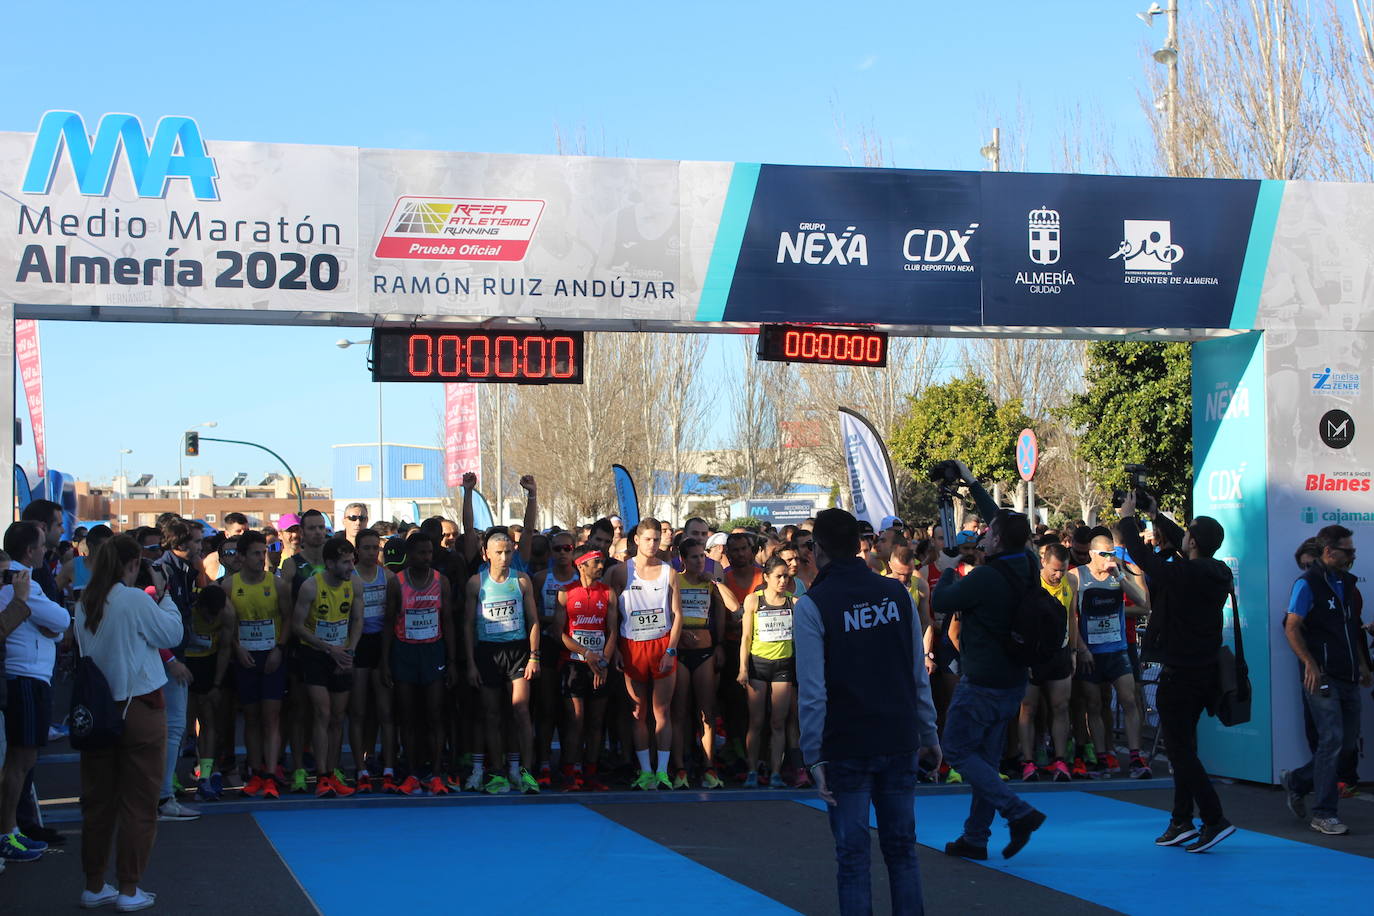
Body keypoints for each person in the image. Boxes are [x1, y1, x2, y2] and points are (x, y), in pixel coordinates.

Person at [795, 508, 940, 916]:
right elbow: (917, 674)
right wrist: (929, 732)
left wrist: (812, 753)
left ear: (817, 549)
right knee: (902, 852)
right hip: (897, 736)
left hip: (846, 744)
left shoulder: (813, 605)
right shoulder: (895, 593)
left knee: (854, 859)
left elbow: (812, 691)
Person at [932, 461, 1046, 862]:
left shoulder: (984, 578)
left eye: (988, 534)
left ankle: (1018, 812)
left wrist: (947, 571)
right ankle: (976, 837)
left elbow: (941, 602)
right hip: (1014, 677)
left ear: (997, 540)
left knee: (958, 751)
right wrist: (970, 480)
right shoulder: (1028, 562)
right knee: (985, 758)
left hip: (981, 679)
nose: (983, 536)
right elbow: (1000, 519)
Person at [1117, 492, 1237, 851]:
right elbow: (1187, 548)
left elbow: (1141, 557)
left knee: (1180, 751)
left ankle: (1214, 819)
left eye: (1188, 534)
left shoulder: (1184, 573)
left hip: (1181, 673)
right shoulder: (1217, 571)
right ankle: (1182, 819)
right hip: (1205, 672)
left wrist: (1127, 519)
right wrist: (1155, 514)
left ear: (1193, 542)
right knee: (1184, 746)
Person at [73, 535, 183, 911]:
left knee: (98, 803)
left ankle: (94, 883)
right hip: (139, 706)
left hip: (97, 710)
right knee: (139, 803)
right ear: (133, 563)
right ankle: (129, 888)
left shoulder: (84, 601)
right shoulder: (135, 598)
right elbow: (172, 634)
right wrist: (163, 593)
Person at [1281, 523, 1371, 837]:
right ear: (1329, 551)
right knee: (1331, 739)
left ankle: (1298, 781)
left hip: (1347, 673)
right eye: (1348, 551)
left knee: (1346, 744)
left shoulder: (1347, 582)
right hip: (1323, 676)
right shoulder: (1307, 583)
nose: (1353, 556)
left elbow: (1351, 628)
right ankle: (1324, 813)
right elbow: (1291, 626)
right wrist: (1310, 663)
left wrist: (1362, 665)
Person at [2, 521, 71, 863]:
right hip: (25, 677)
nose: (46, 550)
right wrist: (52, 627)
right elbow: (60, 619)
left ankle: (12, 829)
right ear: (29, 550)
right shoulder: (20, 580)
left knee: (23, 759)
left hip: (30, 676)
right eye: (43, 544)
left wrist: (52, 628)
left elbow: (54, 627)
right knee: (20, 760)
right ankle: (7, 831)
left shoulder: (21, 579)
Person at [605, 518, 681, 790]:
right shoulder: (620, 572)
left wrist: (671, 649)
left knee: (662, 712)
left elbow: (677, 614)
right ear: (636, 540)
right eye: (648, 539)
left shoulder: (668, 571)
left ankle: (662, 771)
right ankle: (646, 771)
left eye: (656, 539)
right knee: (638, 713)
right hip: (632, 645)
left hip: (661, 644)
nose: (653, 544)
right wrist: (614, 651)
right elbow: (610, 615)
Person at [463, 531, 540, 794]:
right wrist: (471, 664)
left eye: (508, 552)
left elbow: (533, 621)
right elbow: (467, 625)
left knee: (520, 711)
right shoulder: (476, 583)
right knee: (492, 715)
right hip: (488, 653)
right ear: (486, 554)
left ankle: (524, 772)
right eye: (499, 552)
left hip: (517, 651)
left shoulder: (521, 580)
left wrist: (534, 656)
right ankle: (496, 771)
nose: (504, 557)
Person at [381, 532, 457, 795]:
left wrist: (452, 660)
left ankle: (436, 774)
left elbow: (447, 621)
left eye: (429, 553)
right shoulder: (397, 583)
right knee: (409, 716)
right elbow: (389, 622)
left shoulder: (441, 581)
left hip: (433, 652)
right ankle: (413, 773)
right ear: (409, 555)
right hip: (404, 652)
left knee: (435, 715)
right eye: (420, 553)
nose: (426, 558)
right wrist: (384, 662)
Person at [1070, 533, 1151, 778]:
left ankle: (1136, 756)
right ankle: (1103, 755)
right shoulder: (1076, 576)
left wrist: (1120, 577)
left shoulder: (1119, 575)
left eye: (1112, 553)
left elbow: (1143, 603)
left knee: (1129, 699)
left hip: (1117, 649)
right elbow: (1070, 617)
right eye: (1104, 553)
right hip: (1091, 652)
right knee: (1093, 705)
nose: (1109, 558)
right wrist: (1081, 649)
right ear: (1093, 554)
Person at [291, 537, 364, 798]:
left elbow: (357, 620)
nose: (350, 567)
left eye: (351, 561)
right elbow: (297, 625)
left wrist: (350, 650)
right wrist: (328, 648)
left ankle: (332, 773)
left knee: (337, 717)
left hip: (342, 653)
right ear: (330, 563)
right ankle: (321, 776)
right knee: (322, 713)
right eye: (345, 562)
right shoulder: (311, 586)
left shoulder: (354, 583)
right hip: (315, 653)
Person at [225, 530, 290, 799]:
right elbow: (227, 626)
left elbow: (288, 619)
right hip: (246, 657)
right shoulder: (229, 586)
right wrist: (237, 649)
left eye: (263, 552)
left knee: (271, 717)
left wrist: (279, 649)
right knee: (251, 718)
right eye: (255, 553)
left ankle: (271, 773)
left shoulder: (277, 584)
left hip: (271, 656)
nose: (261, 558)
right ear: (240, 557)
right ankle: (255, 772)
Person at [553, 549, 619, 791]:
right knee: (575, 720)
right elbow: (557, 632)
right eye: (595, 563)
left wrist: (603, 661)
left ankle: (591, 772)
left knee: (595, 721)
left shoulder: (608, 593)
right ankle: (569, 771)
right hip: (574, 664)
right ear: (581, 566)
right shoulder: (566, 593)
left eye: (602, 562)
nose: (601, 567)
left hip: (599, 665)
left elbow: (612, 630)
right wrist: (586, 653)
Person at [1016, 542, 1076, 783]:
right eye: (1054, 570)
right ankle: (1028, 761)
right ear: (1043, 563)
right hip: (1033, 655)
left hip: (1059, 654)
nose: (1057, 575)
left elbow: (1072, 618)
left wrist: (1074, 651)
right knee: (1028, 708)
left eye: (1062, 570)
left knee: (1060, 706)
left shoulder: (1070, 583)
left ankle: (1060, 760)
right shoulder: (1030, 585)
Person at [669, 537, 727, 789]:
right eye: (694, 556)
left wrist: (720, 644)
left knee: (706, 712)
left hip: (705, 649)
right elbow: (668, 613)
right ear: (683, 559)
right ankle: (680, 767)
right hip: (680, 652)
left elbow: (724, 611)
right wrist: (678, 634)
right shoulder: (675, 580)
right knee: (679, 712)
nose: (700, 560)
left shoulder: (710, 583)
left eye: (702, 556)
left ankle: (708, 766)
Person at [738, 556, 798, 788]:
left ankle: (775, 772)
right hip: (758, 665)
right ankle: (752, 770)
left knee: (778, 722)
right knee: (756, 721)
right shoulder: (754, 600)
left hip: (784, 666)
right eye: (778, 576)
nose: (783, 580)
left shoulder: (795, 602)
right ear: (766, 577)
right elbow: (745, 637)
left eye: (786, 576)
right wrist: (743, 668)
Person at [348, 528, 395, 792]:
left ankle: (388, 767)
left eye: (374, 548)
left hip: (381, 644)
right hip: (358, 645)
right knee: (358, 711)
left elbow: (391, 618)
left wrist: (387, 656)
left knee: (385, 711)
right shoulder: (350, 577)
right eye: (365, 548)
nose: (370, 553)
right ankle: (360, 767)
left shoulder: (387, 577)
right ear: (357, 550)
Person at [531, 530, 579, 787]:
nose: (562, 553)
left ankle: (570, 763)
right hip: (549, 645)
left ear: (573, 551)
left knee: (570, 710)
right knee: (547, 707)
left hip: (573, 647)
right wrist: (555, 622)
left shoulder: (581, 578)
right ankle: (545, 762)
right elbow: (534, 615)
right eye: (558, 548)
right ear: (551, 551)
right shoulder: (541, 578)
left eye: (567, 548)